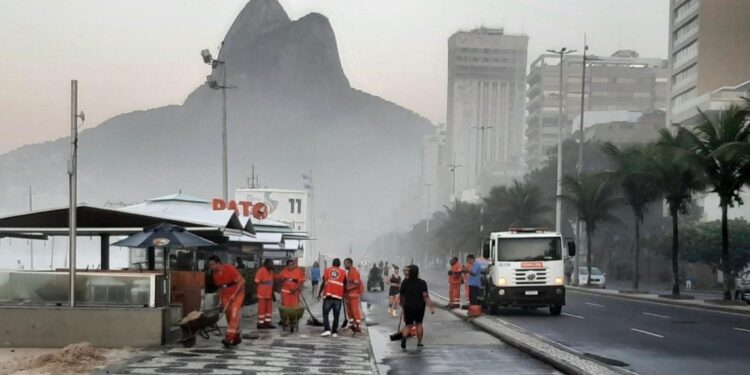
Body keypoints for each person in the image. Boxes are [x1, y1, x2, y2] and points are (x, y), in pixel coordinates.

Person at [208, 255, 246, 346]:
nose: (211, 267)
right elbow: (220, 287)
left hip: (238, 294)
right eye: (209, 265)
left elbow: (242, 281)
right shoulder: (214, 274)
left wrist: (234, 294)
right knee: (229, 316)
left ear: (218, 263)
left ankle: (228, 337)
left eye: (212, 264)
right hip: (226, 295)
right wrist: (220, 299)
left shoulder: (229, 268)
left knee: (234, 314)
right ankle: (236, 337)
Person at [398, 265, 435, 350]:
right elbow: (425, 296)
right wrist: (431, 307)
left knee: (408, 325)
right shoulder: (422, 283)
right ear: (418, 273)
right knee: (418, 323)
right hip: (419, 306)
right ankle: (420, 342)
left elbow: (402, 295)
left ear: (409, 272)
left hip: (408, 306)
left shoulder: (405, 282)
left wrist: (402, 303)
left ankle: (404, 338)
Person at [318, 258, 346, 337]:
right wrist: (345, 294)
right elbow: (345, 284)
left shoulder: (327, 271)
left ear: (333, 264)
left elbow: (323, 283)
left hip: (328, 296)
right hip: (338, 297)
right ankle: (334, 331)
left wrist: (319, 293)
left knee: (325, 313)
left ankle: (327, 330)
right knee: (336, 315)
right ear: (339, 264)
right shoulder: (343, 272)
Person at [254, 259, 276, 329]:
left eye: (272, 263)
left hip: (269, 294)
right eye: (270, 263)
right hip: (262, 294)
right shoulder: (261, 271)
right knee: (262, 310)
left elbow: (271, 284)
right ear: (266, 264)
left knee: (269, 310)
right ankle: (260, 324)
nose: (272, 265)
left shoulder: (271, 271)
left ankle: (267, 323)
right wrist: (255, 293)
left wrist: (273, 294)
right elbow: (256, 282)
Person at [344, 258, 365, 332]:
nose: (344, 265)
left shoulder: (354, 272)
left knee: (355, 310)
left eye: (345, 263)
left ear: (350, 263)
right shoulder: (349, 272)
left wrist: (348, 289)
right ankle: (352, 324)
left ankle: (358, 326)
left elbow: (356, 284)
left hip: (354, 295)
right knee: (349, 311)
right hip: (349, 295)